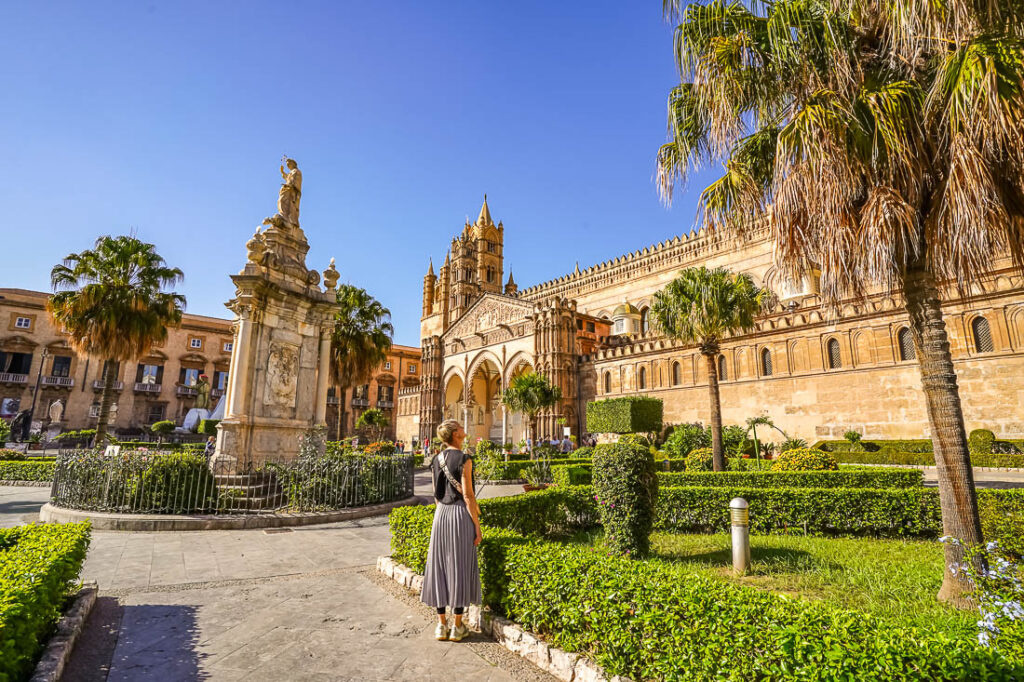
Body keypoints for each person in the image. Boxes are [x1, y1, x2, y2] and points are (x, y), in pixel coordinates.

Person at [421, 419, 482, 642]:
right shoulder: (465, 459)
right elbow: (468, 495)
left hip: (441, 515)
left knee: (439, 568)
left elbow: (436, 494)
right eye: (461, 427)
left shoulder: (436, 458)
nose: (464, 429)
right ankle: (457, 627)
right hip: (459, 514)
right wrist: (476, 525)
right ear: (456, 434)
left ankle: (440, 626)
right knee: (458, 567)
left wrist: (442, 514)